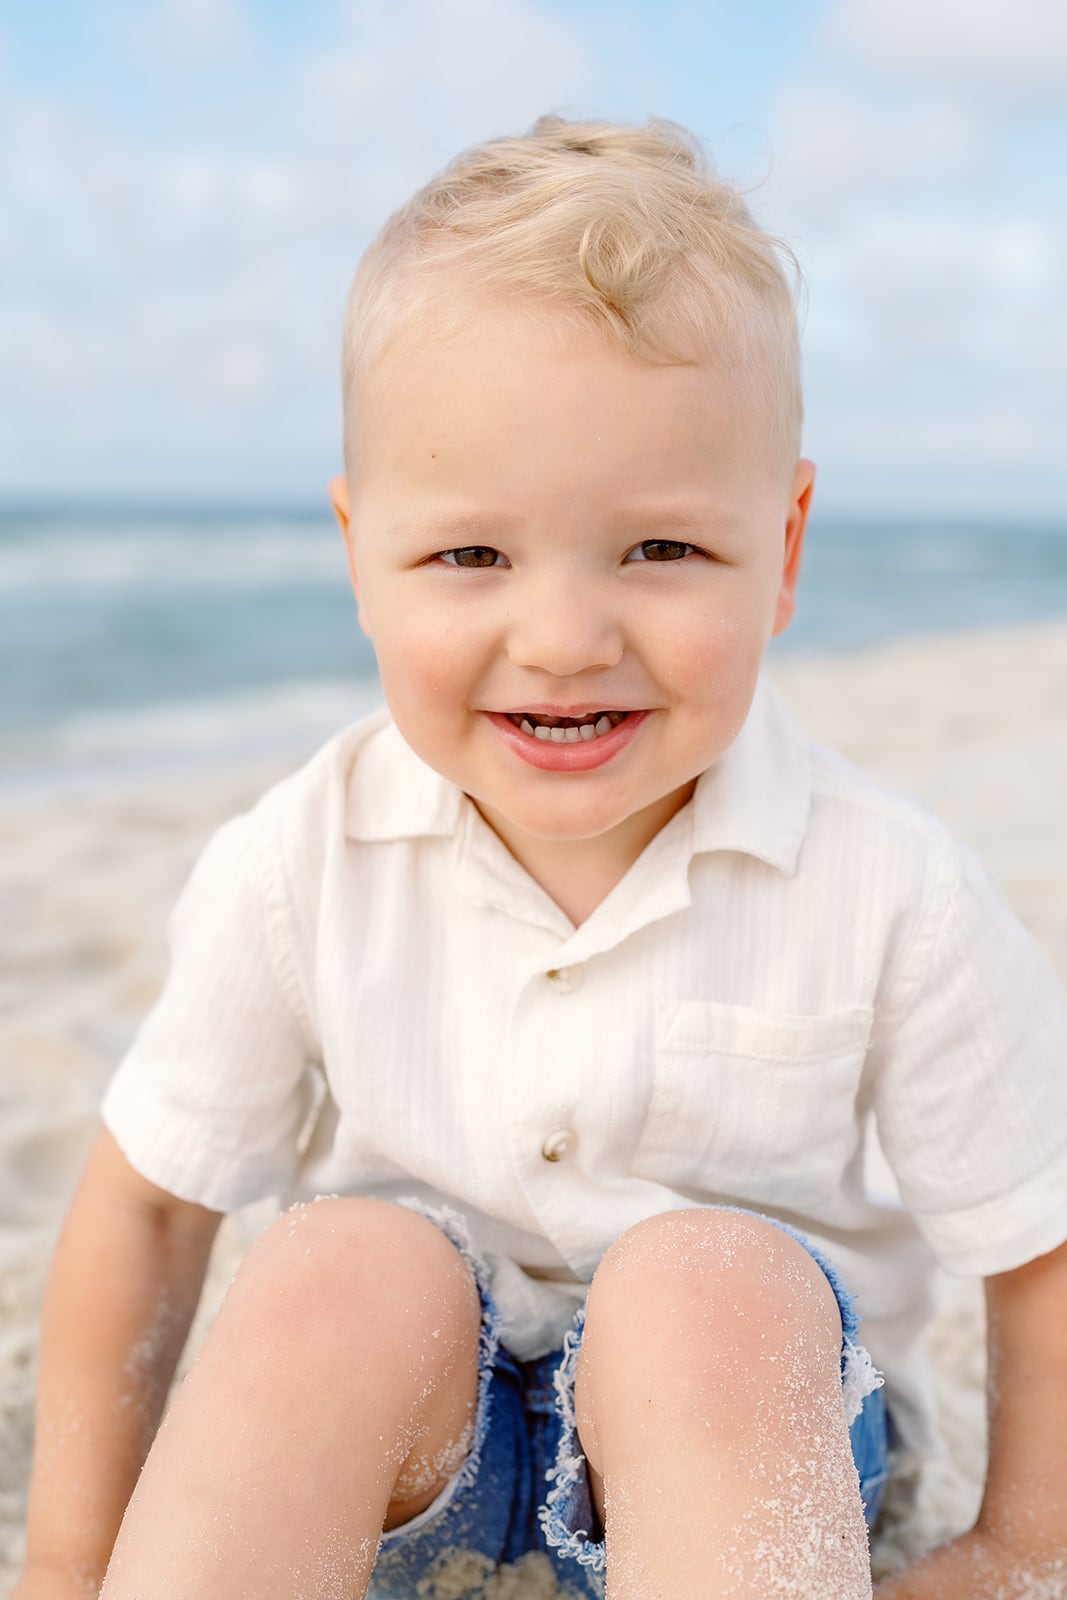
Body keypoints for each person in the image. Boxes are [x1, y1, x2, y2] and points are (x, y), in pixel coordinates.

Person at [16, 116, 1067, 1600]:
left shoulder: (887, 885)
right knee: (333, 1264)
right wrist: (67, 1562)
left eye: (659, 552)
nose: (565, 640)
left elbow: (1039, 1239)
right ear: (357, 553)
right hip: (419, 1454)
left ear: (788, 543)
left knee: (705, 1284)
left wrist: (1025, 1542)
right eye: (469, 556)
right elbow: (150, 1200)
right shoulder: (301, 858)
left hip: (744, 1455)